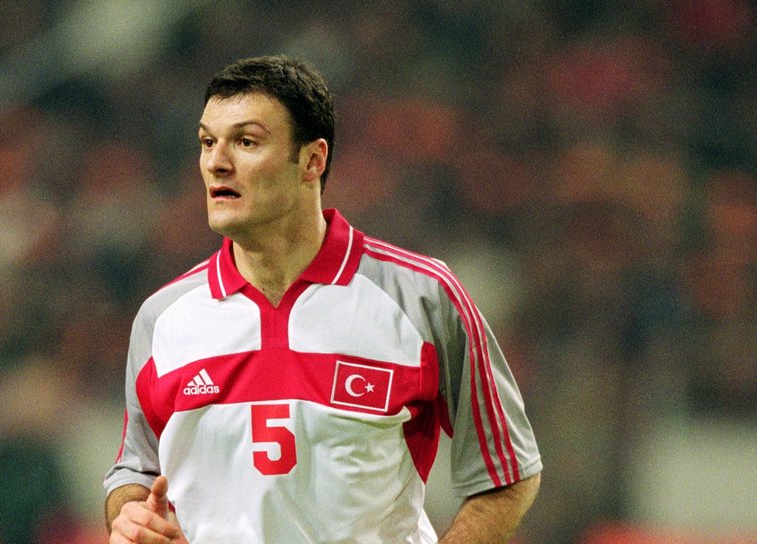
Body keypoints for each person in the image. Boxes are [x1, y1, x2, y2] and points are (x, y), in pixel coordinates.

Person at [104, 54, 541, 544]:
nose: (216, 162)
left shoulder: (421, 298)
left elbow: (507, 473)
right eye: (208, 142)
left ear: (313, 160)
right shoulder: (163, 318)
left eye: (246, 141)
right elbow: (135, 470)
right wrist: (130, 516)